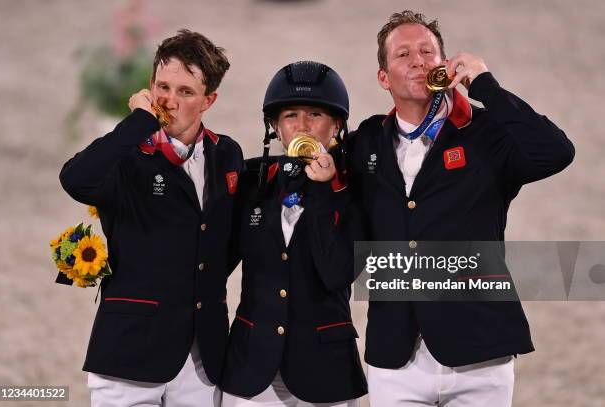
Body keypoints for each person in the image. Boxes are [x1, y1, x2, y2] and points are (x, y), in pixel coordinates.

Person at [347, 10, 575, 407]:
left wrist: (485, 85)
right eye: (403, 54)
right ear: (383, 77)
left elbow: (555, 153)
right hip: (396, 357)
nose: (418, 60)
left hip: (481, 354)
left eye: (427, 51)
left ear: (445, 65)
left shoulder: (487, 135)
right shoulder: (366, 142)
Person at [58, 29, 243, 406]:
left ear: (209, 100)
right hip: (128, 353)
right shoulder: (126, 152)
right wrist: (138, 123)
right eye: (162, 87)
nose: (169, 101)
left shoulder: (228, 154)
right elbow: (75, 180)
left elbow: (230, 238)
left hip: (202, 360)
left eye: (185, 92)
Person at [220, 61, 368, 407]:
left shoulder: (357, 192)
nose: (302, 126)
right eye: (290, 116)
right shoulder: (251, 182)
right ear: (275, 126)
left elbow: (336, 273)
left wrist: (320, 191)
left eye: (315, 114)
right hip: (251, 368)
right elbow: (215, 259)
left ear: (337, 126)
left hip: (324, 370)